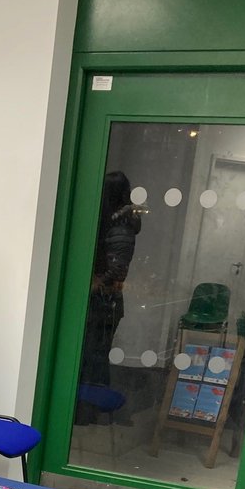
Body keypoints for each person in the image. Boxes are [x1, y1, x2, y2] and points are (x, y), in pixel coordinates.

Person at [76, 171, 142, 420]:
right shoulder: (116, 222)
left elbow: (117, 269)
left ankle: (91, 412)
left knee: (94, 356)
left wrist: (94, 284)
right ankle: (92, 412)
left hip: (105, 301)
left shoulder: (121, 225)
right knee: (93, 356)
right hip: (104, 301)